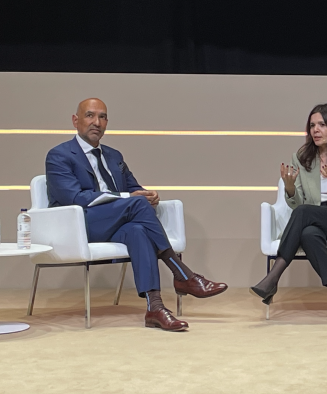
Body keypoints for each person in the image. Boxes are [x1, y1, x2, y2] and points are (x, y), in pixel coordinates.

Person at [45, 98, 228, 331]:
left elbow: (133, 189)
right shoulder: (59, 155)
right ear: (75, 120)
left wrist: (148, 195)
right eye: (90, 115)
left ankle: (155, 308)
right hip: (80, 224)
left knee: (138, 230)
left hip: (114, 222)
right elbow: (74, 197)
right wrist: (131, 199)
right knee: (137, 205)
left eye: (102, 117)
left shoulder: (114, 156)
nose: (96, 122)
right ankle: (182, 274)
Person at [251, 103, 327, 325]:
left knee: (305, 213)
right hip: (313, 218)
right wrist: (290, 188)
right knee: (308, 234)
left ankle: (273, 277)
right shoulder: (301, 158)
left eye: (322, 125)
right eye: (312, 125)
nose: (316, 130)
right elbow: (297, 204)